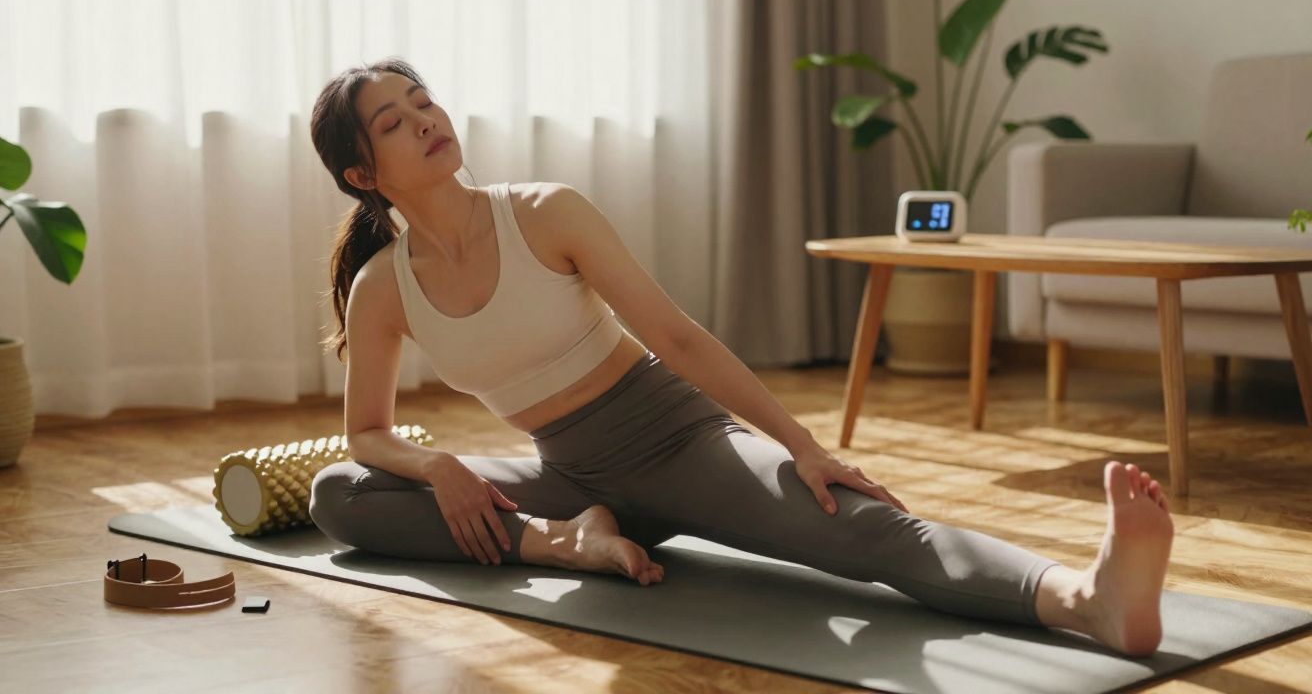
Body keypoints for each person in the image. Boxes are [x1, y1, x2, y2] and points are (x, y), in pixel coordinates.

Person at [305, 58, 1175, 658]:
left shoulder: (544, 212)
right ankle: (563, 544)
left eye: (424, 101)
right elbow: (368, 437)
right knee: (340, 499)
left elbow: (677, 338)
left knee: (861, 532)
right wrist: (441, 465)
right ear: (361, 173)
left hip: (681, 445)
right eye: (395, 120)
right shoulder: (383, 289)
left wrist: (802, 445)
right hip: (570, 478)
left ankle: (1086, 598)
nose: (426, 120)